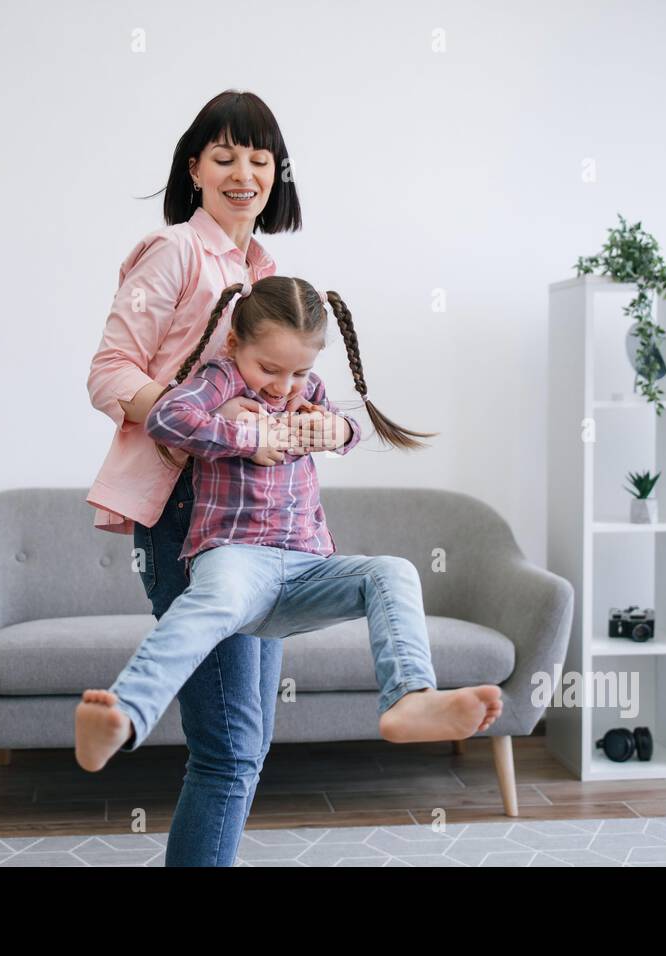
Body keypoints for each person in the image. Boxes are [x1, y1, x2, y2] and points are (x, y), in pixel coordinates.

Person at [77, 275, 505, 775]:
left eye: (299, 371)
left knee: (393, 572)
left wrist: (336, 427)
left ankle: (410, 697)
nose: (283, 386)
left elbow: (349, 430)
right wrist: (243, 436)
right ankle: (125, 714)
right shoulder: (220, 379)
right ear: (235, 344)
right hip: (236, 561)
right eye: (269, 368)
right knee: (202, 610)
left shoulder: (310, 390)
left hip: (305, 568)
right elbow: (166, 419)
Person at [86, 91, 306, 866]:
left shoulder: (266, 269)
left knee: (251, 740)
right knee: (229, 744)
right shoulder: (174, 251)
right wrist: (213, 431)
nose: (243, 173)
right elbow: (109, 373)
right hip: (186, 513)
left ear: (278, 173)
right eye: (224, 157)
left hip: (262, 519)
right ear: (195, 169)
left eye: (259, 158)